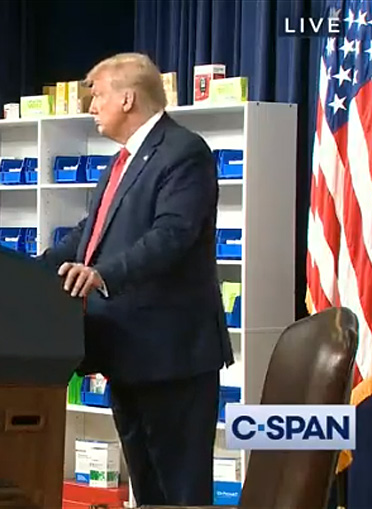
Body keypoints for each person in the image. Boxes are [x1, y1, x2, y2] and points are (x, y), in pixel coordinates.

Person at [39, 53, 234, 506]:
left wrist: (102, 275)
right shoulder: (119, 163)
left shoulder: (183, 152)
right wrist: (22, 269)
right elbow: (87, 237)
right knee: (146, 489)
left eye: (98, 94)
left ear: (128, 98)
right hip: (126, 356)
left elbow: (172, 236)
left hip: (173, 356)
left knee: (180, 491)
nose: (91, 106)